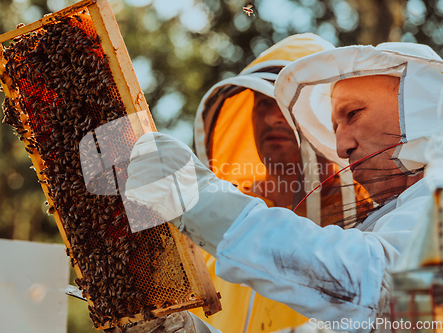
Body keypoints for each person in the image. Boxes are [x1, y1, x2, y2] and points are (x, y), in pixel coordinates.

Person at [124, 40, 443, 333]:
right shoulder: (390, 223)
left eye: (353, 113)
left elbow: (386, 288)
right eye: (334, 126)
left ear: (418, 108)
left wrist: (202, 201)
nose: (340, 146)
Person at [189, 34, 372, 333]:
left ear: (332, 118)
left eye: (287, 103)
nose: (273, 117)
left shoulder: (370, 225)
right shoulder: (212, 232)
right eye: (262, 102)